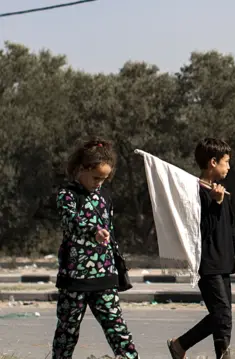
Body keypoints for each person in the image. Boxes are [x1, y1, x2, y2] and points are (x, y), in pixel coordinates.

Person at [167, 138, 235, 359]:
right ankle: (181, 345)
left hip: (224, 262)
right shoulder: (195, 193)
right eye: (226, 162)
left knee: (223, 316)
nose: (229, 167)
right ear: (213, 162)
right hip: (207, 263)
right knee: (221, 314)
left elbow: (229, 227)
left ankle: (184, 347)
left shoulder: (222, 193)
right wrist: (215, 203)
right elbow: (201, 231)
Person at [52, 138, 139, 359]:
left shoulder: (105, 196)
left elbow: (110, 231)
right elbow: (70, 222)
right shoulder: (67, 194)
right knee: (66, 333)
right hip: (74, 277)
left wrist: (117, 262)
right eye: (96, 177)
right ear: (82, 169)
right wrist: (94, 231)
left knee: (118, 330)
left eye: (104, 178)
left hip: (105, 275)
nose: (99, 183)